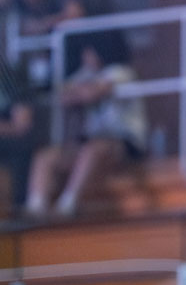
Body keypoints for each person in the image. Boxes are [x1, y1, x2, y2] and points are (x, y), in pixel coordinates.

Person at [26, 31, 145, 217]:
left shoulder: (122, 72)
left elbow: (93, 93)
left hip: (125, 142)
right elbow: (62, 96)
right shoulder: (86, 74)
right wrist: (78, 91)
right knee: (46, 156)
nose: (85, 56)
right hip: (90, 142)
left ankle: (67, 206)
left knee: (93, 149)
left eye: (88, 51)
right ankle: (35, 208)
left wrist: (80, 92)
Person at [0, 57, 38, 212]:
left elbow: (22, 125)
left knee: (22, 147)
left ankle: (18, 210)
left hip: (10, 142)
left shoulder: (9, 77)